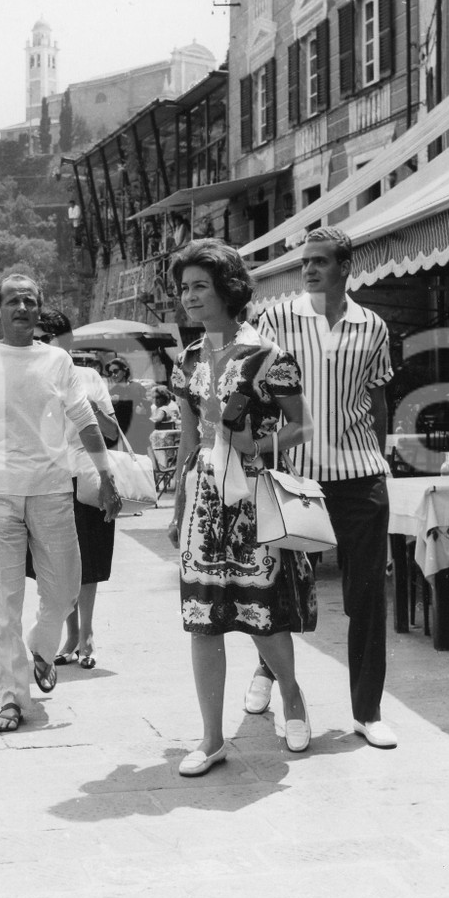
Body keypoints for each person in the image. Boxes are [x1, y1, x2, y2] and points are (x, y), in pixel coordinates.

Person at [0, 275, 120, 733]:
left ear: (39, 311)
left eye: (30, 301)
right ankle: (12, 698)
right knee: (3, 603)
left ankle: (41, 647)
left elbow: (85, 419)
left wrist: (107, 474)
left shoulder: (58, 359)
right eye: (13, 300)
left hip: (53, 491)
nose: (22, 307)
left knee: (66, 589)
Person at [168, 238, 316, 775]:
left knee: (261, 614)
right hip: (205, 503)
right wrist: (179, 507)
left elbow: (303, 424)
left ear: (228, 289)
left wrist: (259, 446)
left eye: (200, 286)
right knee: (201, 619)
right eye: (183, 288)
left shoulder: (268, 357)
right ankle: (212, 738)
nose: (189, 297)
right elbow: (188, 443)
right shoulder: (186, 361)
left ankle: (293, 696)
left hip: (253, 498)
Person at [255, 227, 397, 749]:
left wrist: (378, 460)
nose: (308, 270)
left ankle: (367, 711)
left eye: (319, 261)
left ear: (344, 267)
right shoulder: (277, 318)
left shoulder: (373, 326)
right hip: (297, 479)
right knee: (279, 588)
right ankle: (268, 673)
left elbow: (378, 401)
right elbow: (256, 390)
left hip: (360, 478)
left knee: (366, 597)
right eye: (304, 262)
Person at [27, 308, 120, 672]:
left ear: (63, 341)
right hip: (46, 479)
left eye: (43, 339)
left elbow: (112, 432)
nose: (37, 345)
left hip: (87, 478)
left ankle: (87, 636)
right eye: (34, 339)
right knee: (55, 564)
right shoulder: (28, 376)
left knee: (90, 561)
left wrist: (88, 406)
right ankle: (70, 635)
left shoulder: (89, 376)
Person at [105, 358, 152, 453]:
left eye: (116, 371)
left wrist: (144, 411)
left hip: (138, 432)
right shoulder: (112, 391)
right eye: (110, 373)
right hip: (122, 435)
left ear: (124, 370)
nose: (113, 375)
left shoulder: (137, 387)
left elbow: (146, 410)